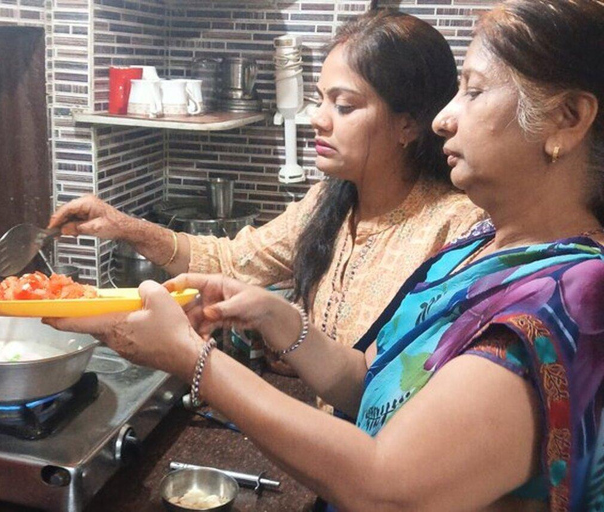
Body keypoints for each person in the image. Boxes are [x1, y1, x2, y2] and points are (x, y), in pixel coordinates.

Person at [46, 0, 604, 510]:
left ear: (568, 119)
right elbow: (373, 379)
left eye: (475, 91)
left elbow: (388, 489)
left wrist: (191, 360)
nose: (444, 118)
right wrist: (275, 315)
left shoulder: (572, 299)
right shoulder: (486, 246)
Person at [48, 10, 485, 365]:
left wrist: (196, 360)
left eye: (344, 105)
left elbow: (383, 386)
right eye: (320, 98)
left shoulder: (455, 229)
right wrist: (123, 226)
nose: (317, 117)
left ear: (408, 123)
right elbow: (233, 261)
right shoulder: (329, 201)